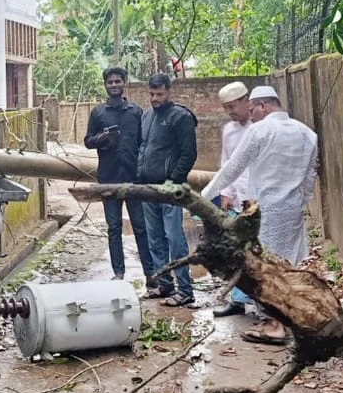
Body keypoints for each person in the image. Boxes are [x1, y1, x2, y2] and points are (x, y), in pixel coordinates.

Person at [200, 85, 319, 343]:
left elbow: (233, 168)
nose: (250, 116)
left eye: (252, 110)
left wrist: (202, 196)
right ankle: (288, 319)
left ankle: (275, 324)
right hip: (292, 209)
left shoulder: (260, 130)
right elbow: (310, 176)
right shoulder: (308, 134)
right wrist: (300, 201)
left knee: (266, 269)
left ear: (262, 106)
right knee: (288, 266)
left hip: (264, 210)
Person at [136, 73, 198, 307]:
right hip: (148, 188)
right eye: (151, 94)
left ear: (169, 92)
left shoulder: (180, 117)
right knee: (154, 238)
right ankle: (164, 285)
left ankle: (185, 289)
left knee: (174, 238)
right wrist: (139, 179)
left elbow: (189, 154)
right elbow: (143, 148)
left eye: (159, 94)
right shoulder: (147, 116)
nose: (155, 98)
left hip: (170, 188)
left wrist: (173, 180)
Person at [83, 67, 152, 282]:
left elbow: (144, 143)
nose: (114, 85)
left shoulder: (136, 112)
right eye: (110, 82)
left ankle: (150, 273)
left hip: (134, 179)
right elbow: (87, 141)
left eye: (117, 81)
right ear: (105, 85)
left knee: (141, 226)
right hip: (109, 179)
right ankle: (118, 273)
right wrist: (102, 137)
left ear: (124, 83)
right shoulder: (98, 113)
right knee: (114, 228)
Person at [210, 81, 255, 318]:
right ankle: (238, 301)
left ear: (247, 100)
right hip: (236, 198)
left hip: (257, 198)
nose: (230, 112)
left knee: (256, 253)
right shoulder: (229, 130)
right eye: (226, 108)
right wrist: (225, 192)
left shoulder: (260, 128)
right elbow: (226, 164)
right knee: (235, 251)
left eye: (233, 106)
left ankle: (263, 303)